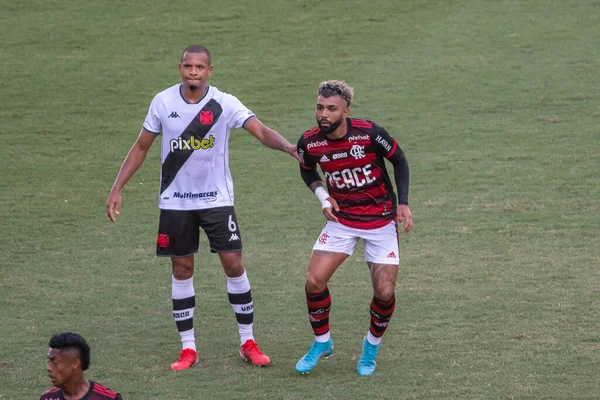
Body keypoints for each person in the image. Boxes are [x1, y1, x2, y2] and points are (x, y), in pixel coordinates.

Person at [106, 44, 298, 371]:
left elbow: (261, 130)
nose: (193, 72)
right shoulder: (163, 102)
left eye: (199, 67)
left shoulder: (223, 103)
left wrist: (289, 147)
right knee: (182, 270)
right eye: (187, 66)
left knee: (234, 264)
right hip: (175, 204)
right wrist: (117, 186)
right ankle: (188, 348)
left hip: (217, 201)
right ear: (179, 68)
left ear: (210, 71)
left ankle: (247, 341)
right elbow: (141, 146)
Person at [294, 80, 413, 376]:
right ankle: (322, 342)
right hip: (342, 221)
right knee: (313, 281)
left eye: (332, 109)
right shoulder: (309, 142)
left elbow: (399, 160)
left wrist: (403, 203)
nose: (324, 114)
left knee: (384, 291)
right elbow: (306, 168)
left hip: (381, 219)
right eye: (320, 107)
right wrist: (323, 197)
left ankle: (371, 345)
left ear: (346, 110)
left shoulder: (371, 133)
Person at [41, 332, 123, 400]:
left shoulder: (108, 398)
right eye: (49, 361)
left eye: (54, 362)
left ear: (75, 363)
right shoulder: (48, 398)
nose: (48, 368)